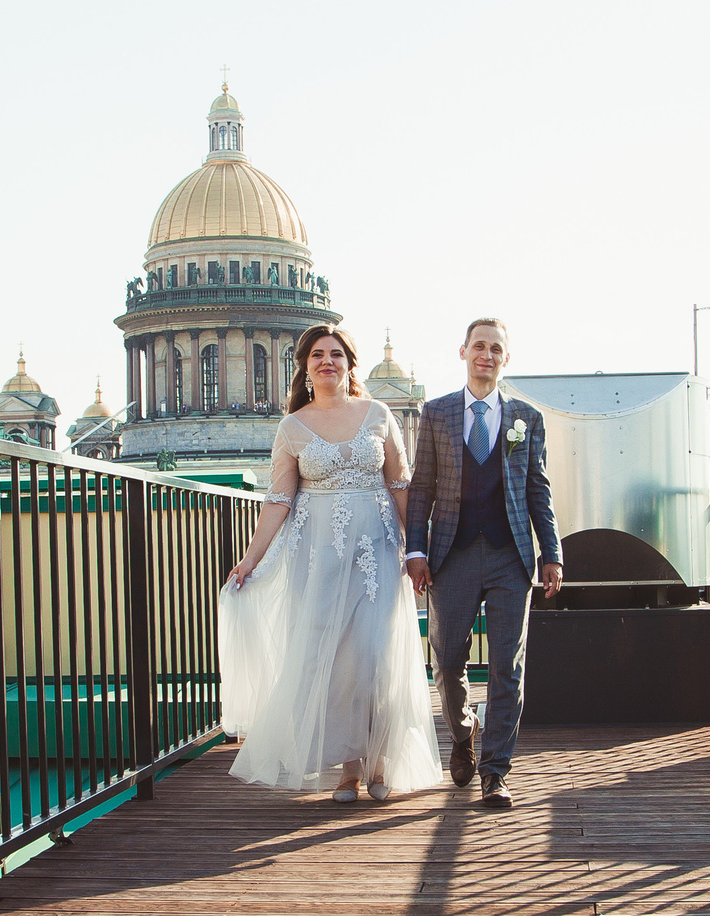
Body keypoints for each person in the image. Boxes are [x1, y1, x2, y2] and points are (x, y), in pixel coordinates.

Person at [218, 325, 442, 802]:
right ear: (304, 366)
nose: (327, 362)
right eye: (317, 355)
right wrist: (249, 559)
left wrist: (419, 551)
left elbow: (401, 487)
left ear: (350, 363)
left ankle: (380, 759)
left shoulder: (379, 415)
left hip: (376, 554)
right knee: (335, 661)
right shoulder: (292, 428)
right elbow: (278, 500)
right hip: (316, 559)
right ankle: (349, 767)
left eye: (336, 354)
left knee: (373, 656)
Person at [403, 318, 564, 809]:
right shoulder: (436, 413)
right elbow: (422, 487)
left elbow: (538, 488)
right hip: (450, 553)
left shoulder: (526, 418)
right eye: (479, 346)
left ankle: (496, 771)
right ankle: (463, 730)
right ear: (463, 352)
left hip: (510, 555)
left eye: (496, 348)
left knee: (506, 666)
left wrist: (551, 553)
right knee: (447, 658)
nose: (486, 355)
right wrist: (415, 552)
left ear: (505, 358)